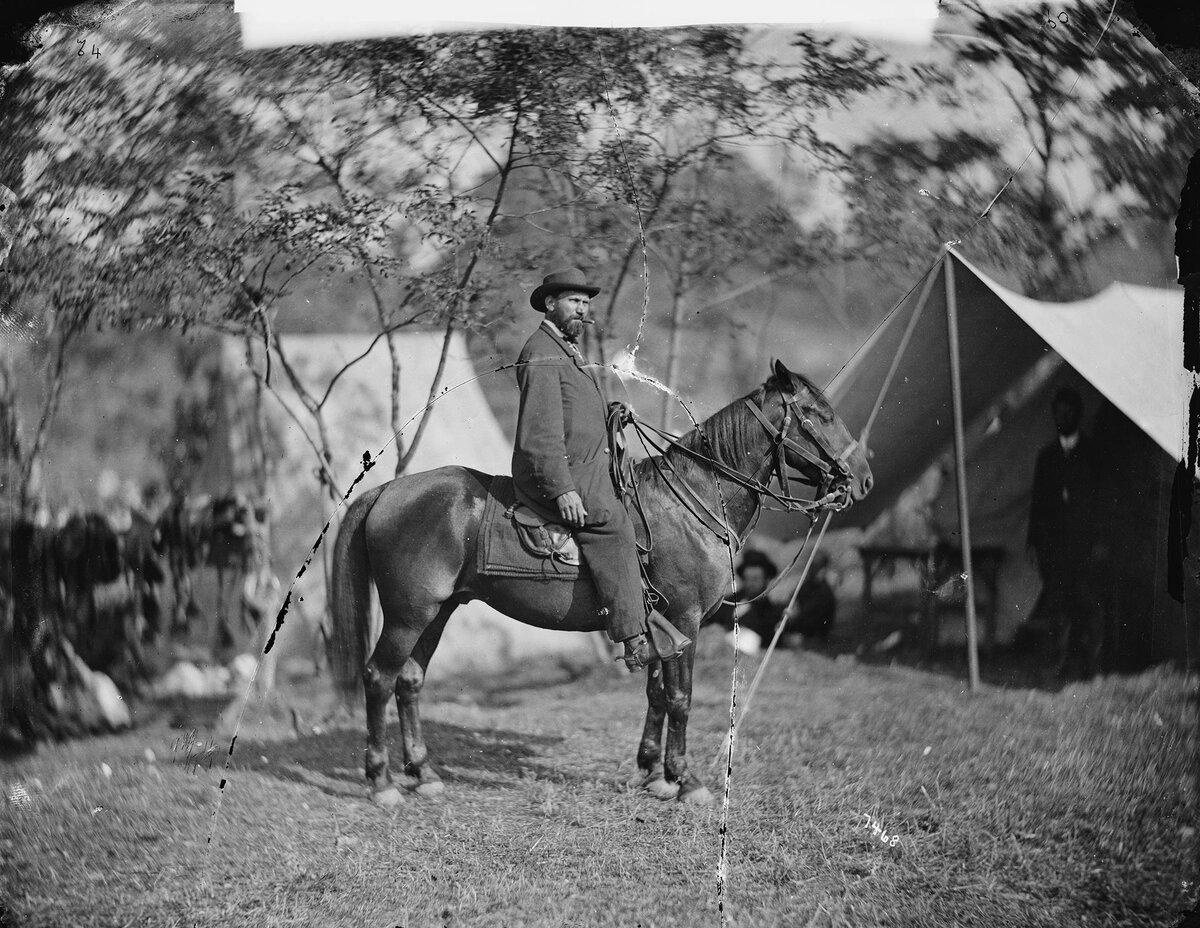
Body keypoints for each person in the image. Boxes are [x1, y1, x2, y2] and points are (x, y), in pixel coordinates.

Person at [512, 267, 690, 672]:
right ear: (550, 303)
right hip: (559, 475)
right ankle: (634, 639)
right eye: (574, 302)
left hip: (589, 466)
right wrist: (562, 490)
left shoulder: (565, 350)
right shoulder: (541, 351)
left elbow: (575, 412)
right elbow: (540, 434)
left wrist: (610, 413)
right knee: (611, 523)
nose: (582, 309)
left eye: (586, 303)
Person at [1027, 386, 1105, 681]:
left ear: (1079, 414)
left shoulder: (1092, 454)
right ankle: (1061, 665)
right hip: (1055, 548)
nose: (1063, 416)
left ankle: (1092, 667)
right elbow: (1037, 504)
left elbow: (1101, 501)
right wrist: (1033, 543)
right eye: (1058, 411)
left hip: (1085, 546)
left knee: (1088, 605)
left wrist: (1100, 541)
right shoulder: (1046, 457)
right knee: (1059, 608)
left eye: (1069, 411)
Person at [706, 549, 784, 642]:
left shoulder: (771, 611)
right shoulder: (728, 601)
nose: (751, 583)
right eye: (748, 579)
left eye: (755, 579)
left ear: (766, 580)